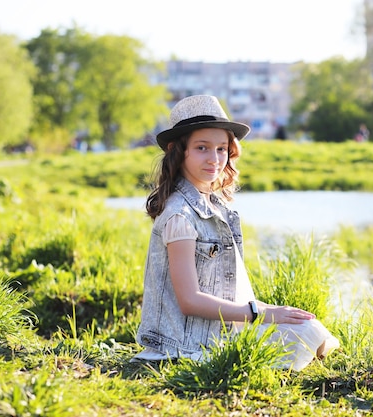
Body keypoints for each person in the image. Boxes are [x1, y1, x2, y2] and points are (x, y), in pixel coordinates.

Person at [133, 95, 339, 371]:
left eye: (221, 149)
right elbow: (189, 300)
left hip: (218, 330)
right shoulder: (179, 215)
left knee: (308, 327)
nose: (214, 159)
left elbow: (226, 290)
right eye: (202, 148)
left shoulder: (215, 206)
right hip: (187, 342)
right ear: (178, 151)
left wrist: (272, 311)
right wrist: (260, 313)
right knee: (307, 335)